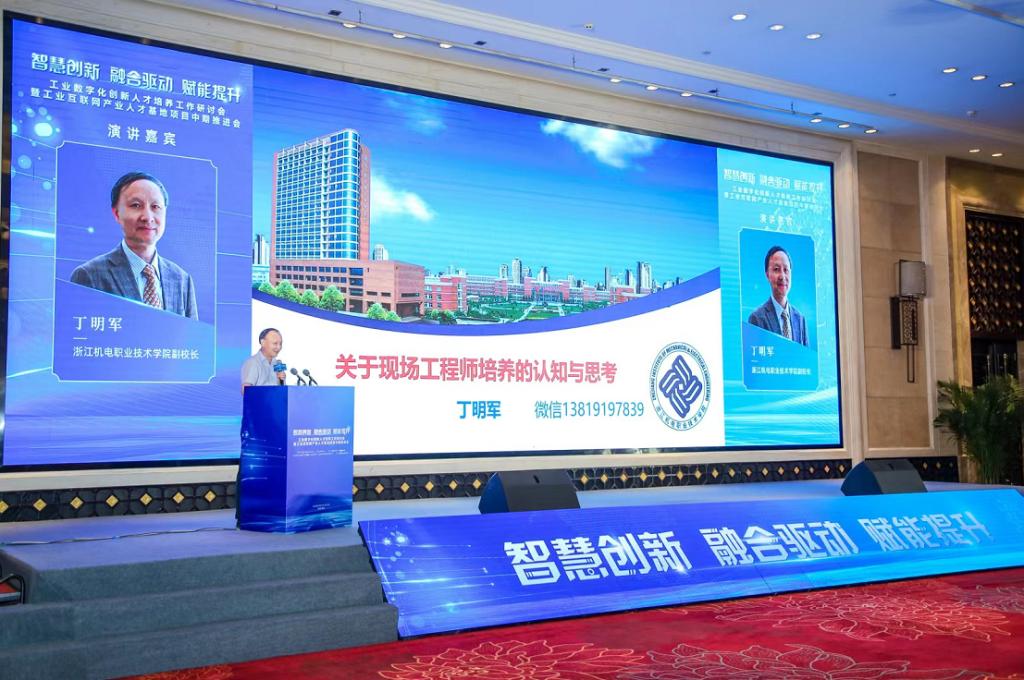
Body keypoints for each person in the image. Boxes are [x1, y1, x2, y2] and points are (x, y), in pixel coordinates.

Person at [70, 171, 198, 320]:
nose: (147, 217)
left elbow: (193, 334)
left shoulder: (181, 280)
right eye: (136, 205)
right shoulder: (89, 275)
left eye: (155, 206)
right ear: (117, 213)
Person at [748, 245, 808, 346]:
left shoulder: (800, 319)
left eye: (786, 270)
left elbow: (806, 356)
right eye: (776, 269)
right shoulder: (757, 318)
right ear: (767, 275)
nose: (782, 276)